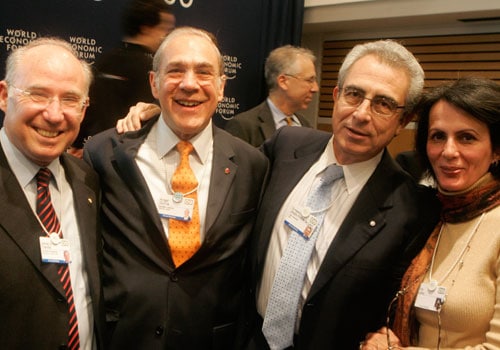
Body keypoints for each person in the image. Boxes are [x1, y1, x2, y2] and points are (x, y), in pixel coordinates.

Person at [119, 39, 441, 350]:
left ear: (405, 120)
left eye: (383, 104)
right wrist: (163, 118)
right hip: (245, 339)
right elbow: (217, 168)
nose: (361, 113)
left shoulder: (412, 209)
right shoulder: (287, 146)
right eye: (354, 94)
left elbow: (399, 306)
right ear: (336, 95)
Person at [83, 26, 268, 349]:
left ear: (222, 87)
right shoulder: (105, 153)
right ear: (154, 83)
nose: (189, 84)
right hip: (125, 338)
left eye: (204, 72)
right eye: (176, 70)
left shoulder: (252, 164)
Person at [361, 77, 500, 349]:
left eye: (466, 138)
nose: (448, 152)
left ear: (496, 150)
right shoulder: (430, 215)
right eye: (438, 136)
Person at [0, 37, 104, 349]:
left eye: (71, 100)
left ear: (84, 110)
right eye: (38, 94)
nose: (55, 114)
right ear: (4, 96)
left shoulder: (88, 180)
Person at [69, 0, 175, 158]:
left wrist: (77, 145)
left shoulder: (105, 61)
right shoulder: (147, 69)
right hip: (129, 158)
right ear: (146, 27)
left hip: (94, 154)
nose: (164, 38)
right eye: (163, 30)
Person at [224, 45, 317, 147]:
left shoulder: (306, 126)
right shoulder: (244, 127)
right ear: (283, 82)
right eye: (309, 80)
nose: (315, 88)